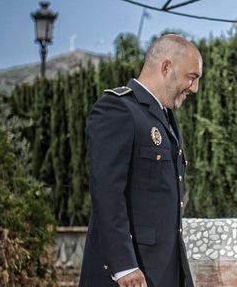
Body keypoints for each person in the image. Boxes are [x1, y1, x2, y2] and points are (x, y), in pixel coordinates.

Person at [79, 34, 203, 287]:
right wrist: (124, 266)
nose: (194, 88)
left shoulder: (163, 116)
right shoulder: (118, 109)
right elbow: (107, 192)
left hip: (164, 268)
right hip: (131, 273)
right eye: (192, 77)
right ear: (166, 67)